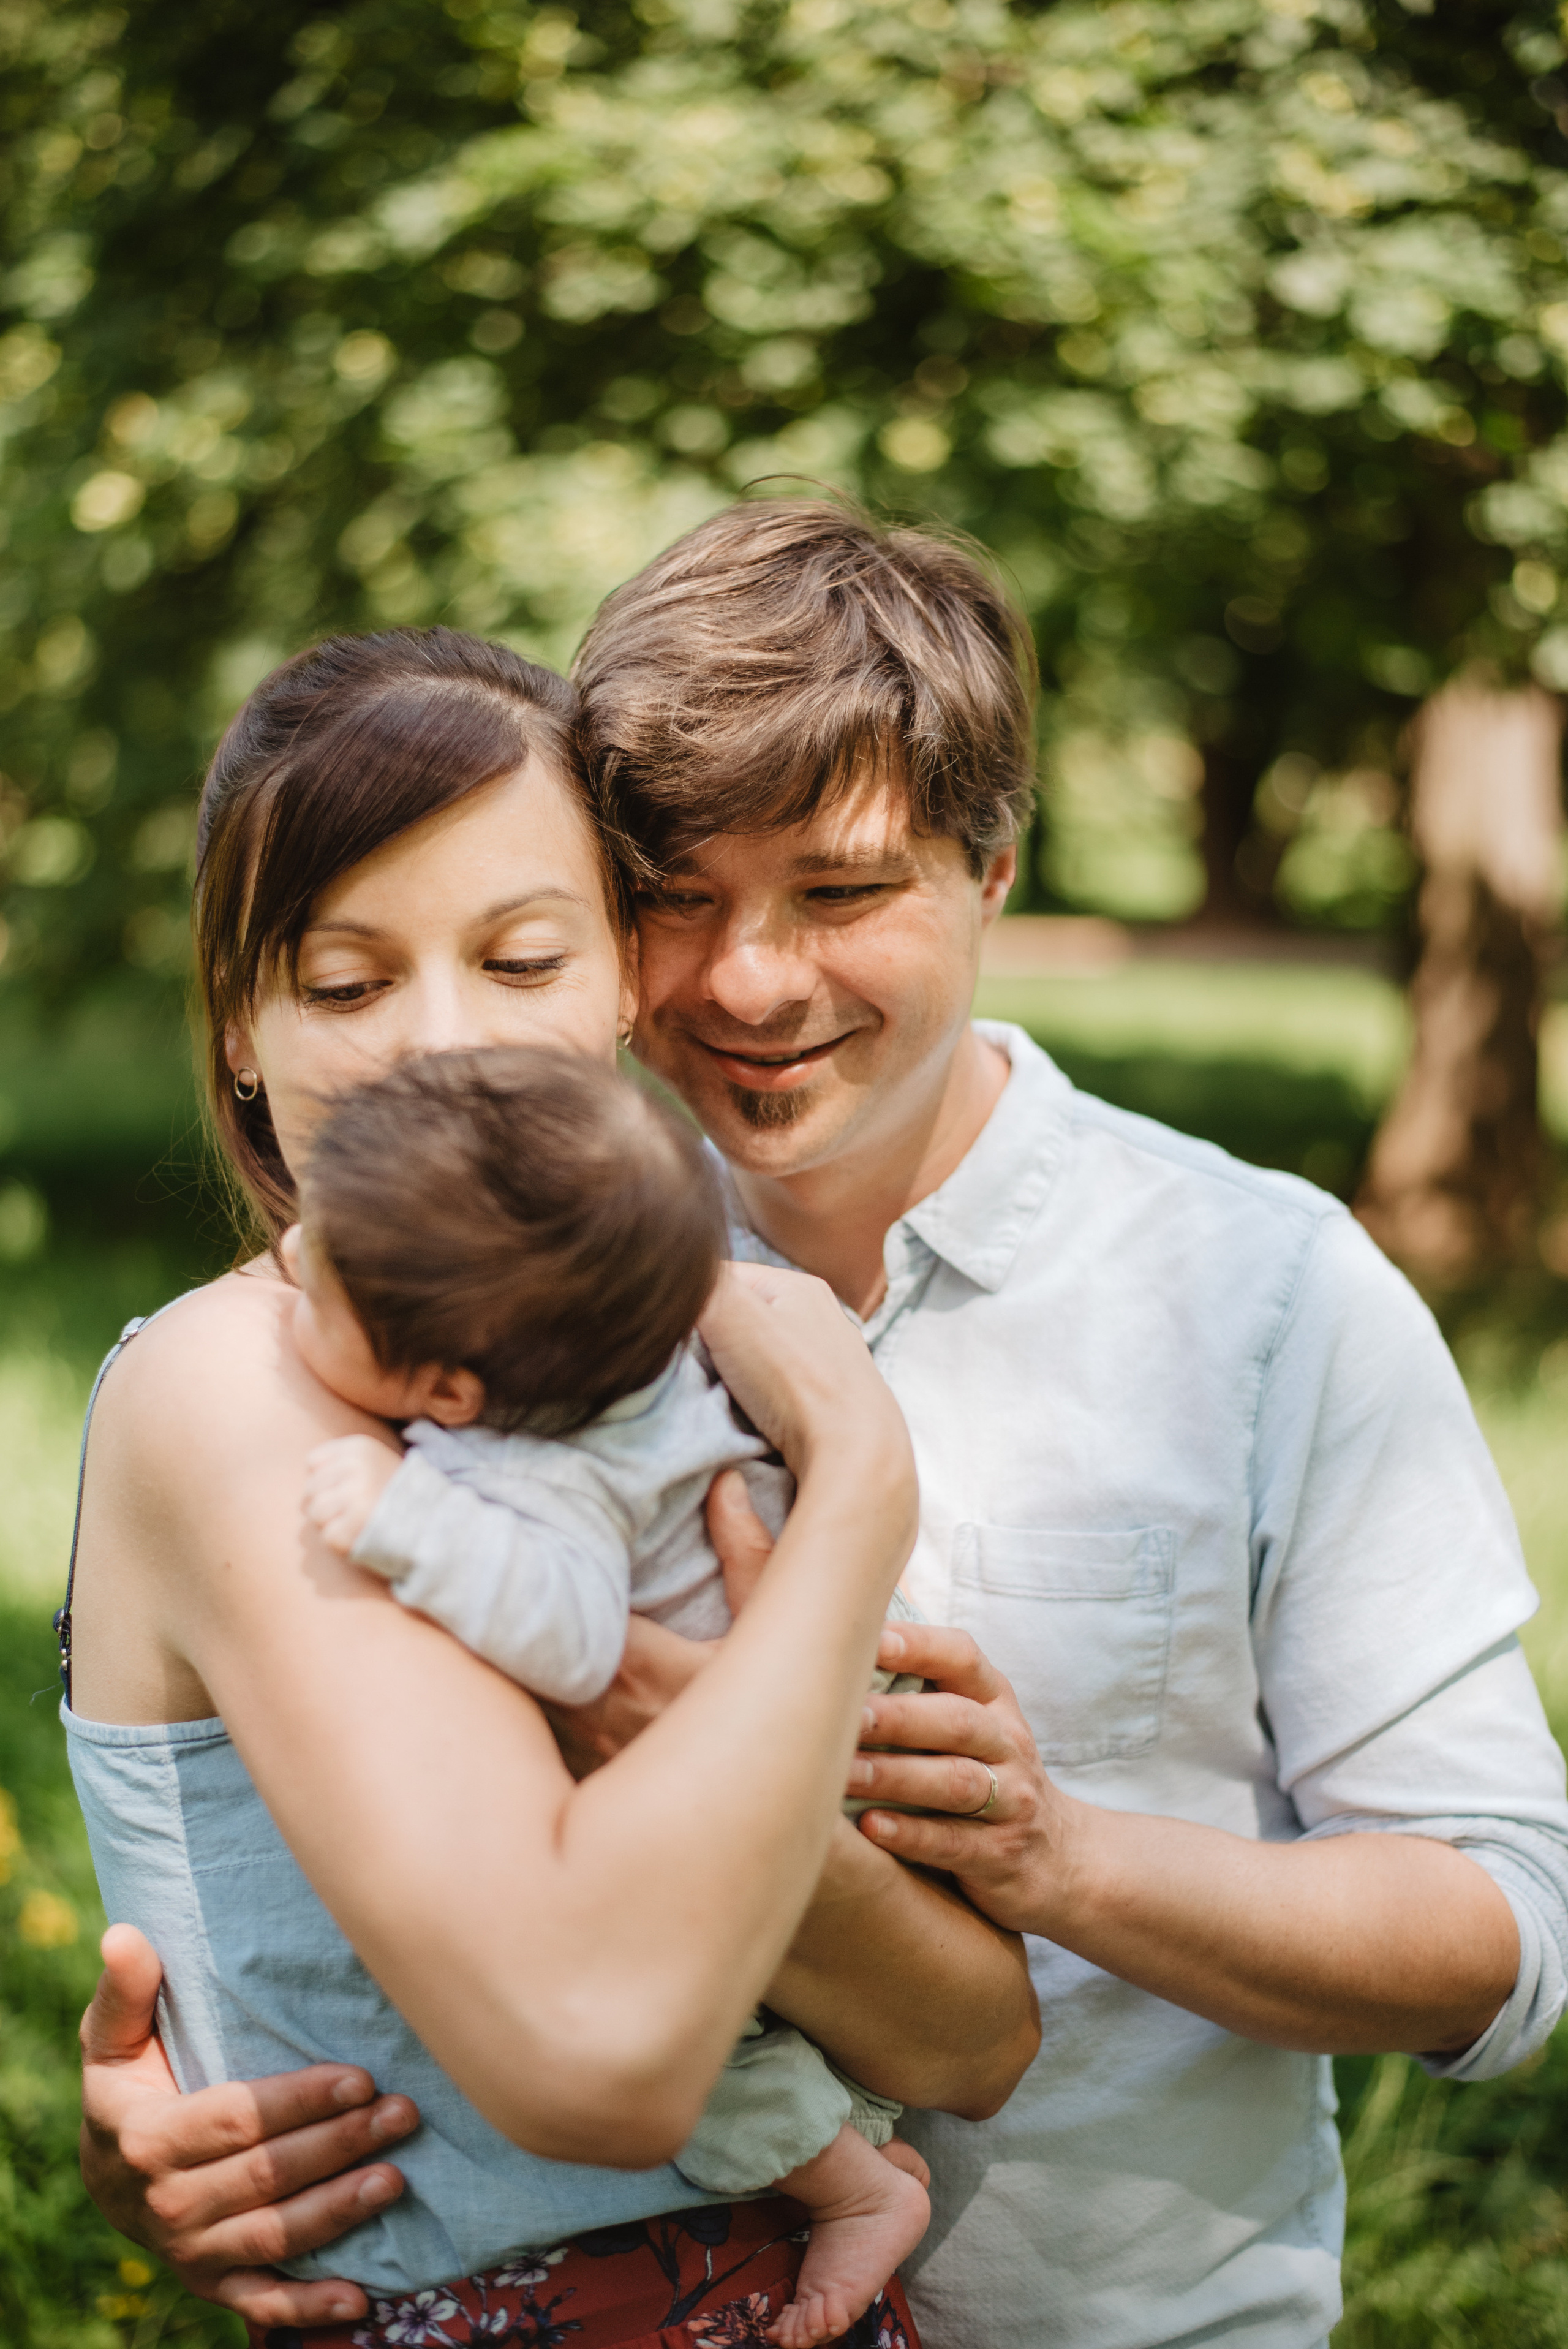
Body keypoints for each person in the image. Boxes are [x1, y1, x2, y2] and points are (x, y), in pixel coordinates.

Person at [79, 504, 1568, 2349]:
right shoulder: (493, 1297)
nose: (753, 981)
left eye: (845, 893)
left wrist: (1061, 1857)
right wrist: (187, 2069)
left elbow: (1505, 1933)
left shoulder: (1266, 1294)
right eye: (680, 897)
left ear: (996, 865)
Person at [59, 621, 1041, 2349]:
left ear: (618, 985)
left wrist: (684, 1731)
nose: (448, 1049)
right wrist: (857, 1495)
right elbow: (598, 2057)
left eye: (520, 960)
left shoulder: (639, 1380)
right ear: (241, 1024)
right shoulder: (237, 1394)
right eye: (349, 985)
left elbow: (974, 2042)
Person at [287, 1042, 932, 2348]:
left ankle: (854, 2189)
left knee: (700, 2056)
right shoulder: (607, 1339)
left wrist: (409, 1519)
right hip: (817, 1719)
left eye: (330, 1282)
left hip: (772, 1786)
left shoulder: (545, 1474)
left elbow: (578, 1638)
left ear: (454, 1395)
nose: (298, 1262)